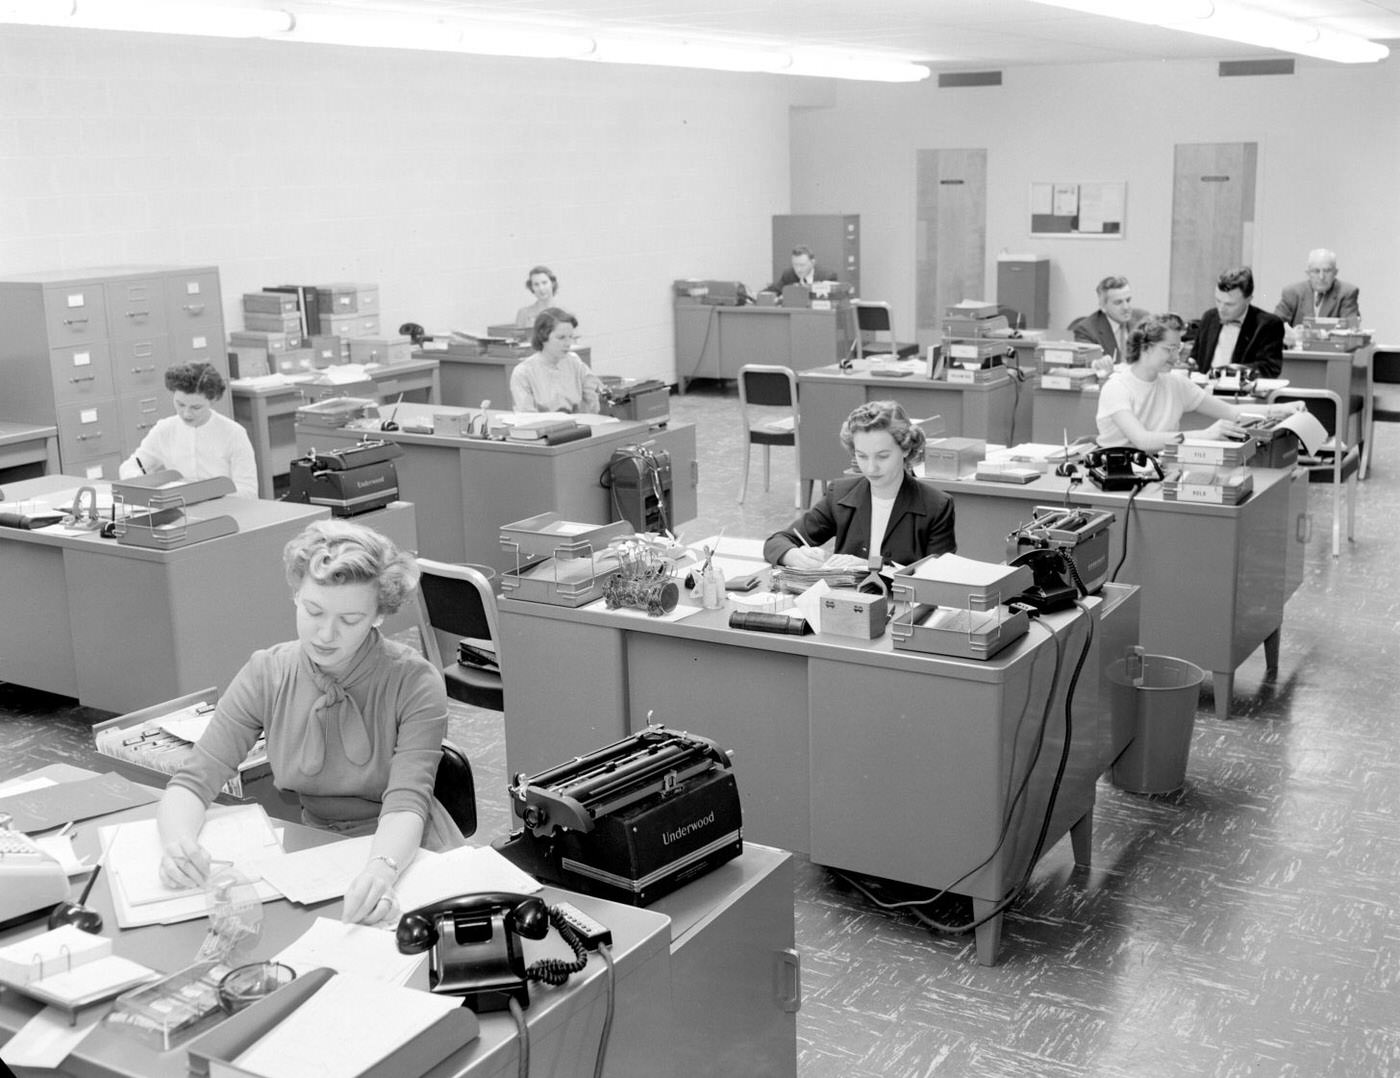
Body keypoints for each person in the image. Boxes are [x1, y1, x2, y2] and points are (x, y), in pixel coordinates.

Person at [157, 520, 460, 925]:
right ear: (296, 594)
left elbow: (407, 801)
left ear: (379, 616)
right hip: (315, 850)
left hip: (406, 852)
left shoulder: (415, 682)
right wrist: (177, 843)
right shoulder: (267, 672)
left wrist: (380, 869)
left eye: (350, 619)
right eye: (313, 611)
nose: (325, 633)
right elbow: (194, 781)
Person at [764, 400, 955, 569]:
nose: (871, 468)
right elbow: (776, 542)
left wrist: (870, 566)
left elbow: (939, 577)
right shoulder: (840, 494)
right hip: (845, 602)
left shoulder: (936, 506)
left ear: (905, 448)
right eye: (862, 456)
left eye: (883, 456)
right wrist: (793, 555)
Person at [1098, 314, 1301, 453]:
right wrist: (1205, 435)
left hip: (1161, 468)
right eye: (1169, 349)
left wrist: (1282, 409)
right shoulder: (1117, 388)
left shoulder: (1175, 383)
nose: (1176, 357)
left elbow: (1232, 412)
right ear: (1146, 347)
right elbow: (1143, 441)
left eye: (1179, 348)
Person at [118, 362, 257, 498]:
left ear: (213, 400)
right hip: (180, 510)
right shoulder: (165, 430)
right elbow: (130, 466)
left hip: (224, 509)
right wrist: (139, 479)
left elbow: (249, 491)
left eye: (196, 407)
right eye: (180, 404)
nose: (186, 414)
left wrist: (205, 494)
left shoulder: (233, 433)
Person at [1189, 266, 1285, 379]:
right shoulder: (1209, 317)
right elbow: (1196, 360)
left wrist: (1227, 373)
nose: (1221, 309)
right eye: (1218, 301)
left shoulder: (1269, 325)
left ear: (1248, 299)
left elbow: (1269, 369)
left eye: (1230, 304)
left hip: (1242, 393)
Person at [509, 308, 603, 414]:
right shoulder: (523, 372)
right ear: (542, 336)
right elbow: (526, 416)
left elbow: (597, 396)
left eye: (571, 337)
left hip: (577, 427)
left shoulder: (574, 362)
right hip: (544, 429)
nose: (568, 343)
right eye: (561, 337)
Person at [1274, 249, 1361, 346]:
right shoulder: (1292, 292)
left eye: (1327, 271)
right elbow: (1274, 326)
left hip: (1332, 356)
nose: (1321, 277)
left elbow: (1351, 332)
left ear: (1335, 272)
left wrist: (1310, 335)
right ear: (1308, 273)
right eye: (1316, 271)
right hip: (1297, 355)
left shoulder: (1347, 293)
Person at [1068, 275, 1151, 364]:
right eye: (1118, 303)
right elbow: (1087, 365)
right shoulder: (1086, 330)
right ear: (1103, 306)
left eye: (1128, 300)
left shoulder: (1143, 319)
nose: (1126, 307)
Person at [768, 244, 839, 292]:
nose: (798, 269)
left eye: (802, 265)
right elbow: (774, 290)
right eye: (795, 265)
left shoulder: (827, 276)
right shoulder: (789, 274)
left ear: (812, 263)